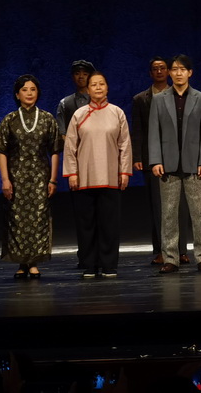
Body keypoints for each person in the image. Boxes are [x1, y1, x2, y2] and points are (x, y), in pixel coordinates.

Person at [0, 74, 61, 278]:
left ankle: (34, 262)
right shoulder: (10, 119)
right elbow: (1, 150)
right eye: (25, 90)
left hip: (40, 177)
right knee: (17, 220)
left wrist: (53, 179)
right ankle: (22, 262)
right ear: (17, 94)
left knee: (38, 219)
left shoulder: (47, 118)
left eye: (33, 89)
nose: (29, 93)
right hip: (16, 178)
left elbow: (55, 150)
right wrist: (5, 179)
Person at [148, 54, 201, 274]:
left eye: (182, 69)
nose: (177, 73)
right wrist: (156, 160)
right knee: (168, 213)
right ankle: (171, 257)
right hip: (167, 164)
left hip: (194, 164)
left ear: (190, 72)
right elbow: (153, 133)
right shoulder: (159, 99)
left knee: (199, 213)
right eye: (174, 69)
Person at [63, 71, 133, 278]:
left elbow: (125, 144)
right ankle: (90, 264)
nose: (98, 87)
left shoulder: (117, 113)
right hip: (84, 177)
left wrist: (124, 172)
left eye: (102, 84)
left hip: (111, 176)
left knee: (109, 223)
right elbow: (70, 147)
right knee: (86, 224)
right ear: (88, 89)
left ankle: (109, 264)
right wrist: (72, 174)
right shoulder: (79, 114)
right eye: (94, 85)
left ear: (107, 87)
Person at [131, 57, 190, 266]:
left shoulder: (179, 95)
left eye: (162, 68)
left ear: (169, 72)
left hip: (178, 158)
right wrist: (137, 157)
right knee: (158, 207)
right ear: (150, 73)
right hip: (152, 159)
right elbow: (137, 130)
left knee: (179, 206)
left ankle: (182, 250)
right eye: (155, 68)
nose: (159, 71)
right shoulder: (141, 99)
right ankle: (162, 251)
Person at [55, 60, 95, 140]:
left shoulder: (97, 102)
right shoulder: (65, 103)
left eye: (85, 74)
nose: (81, 76)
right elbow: (62, 132)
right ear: (73, 77)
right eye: (77, 73)